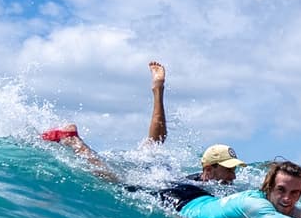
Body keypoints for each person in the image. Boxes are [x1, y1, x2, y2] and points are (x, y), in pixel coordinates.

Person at [41, 59, 247, 205]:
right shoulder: (201, 188)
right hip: (159, 181)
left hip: (163, 173)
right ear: (209, 169)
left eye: (233, 170)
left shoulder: (212, 185)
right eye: (228, 170)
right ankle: (73, 141)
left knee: (155, 145)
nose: (233, 176)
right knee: (114, 179)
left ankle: (158, 90)